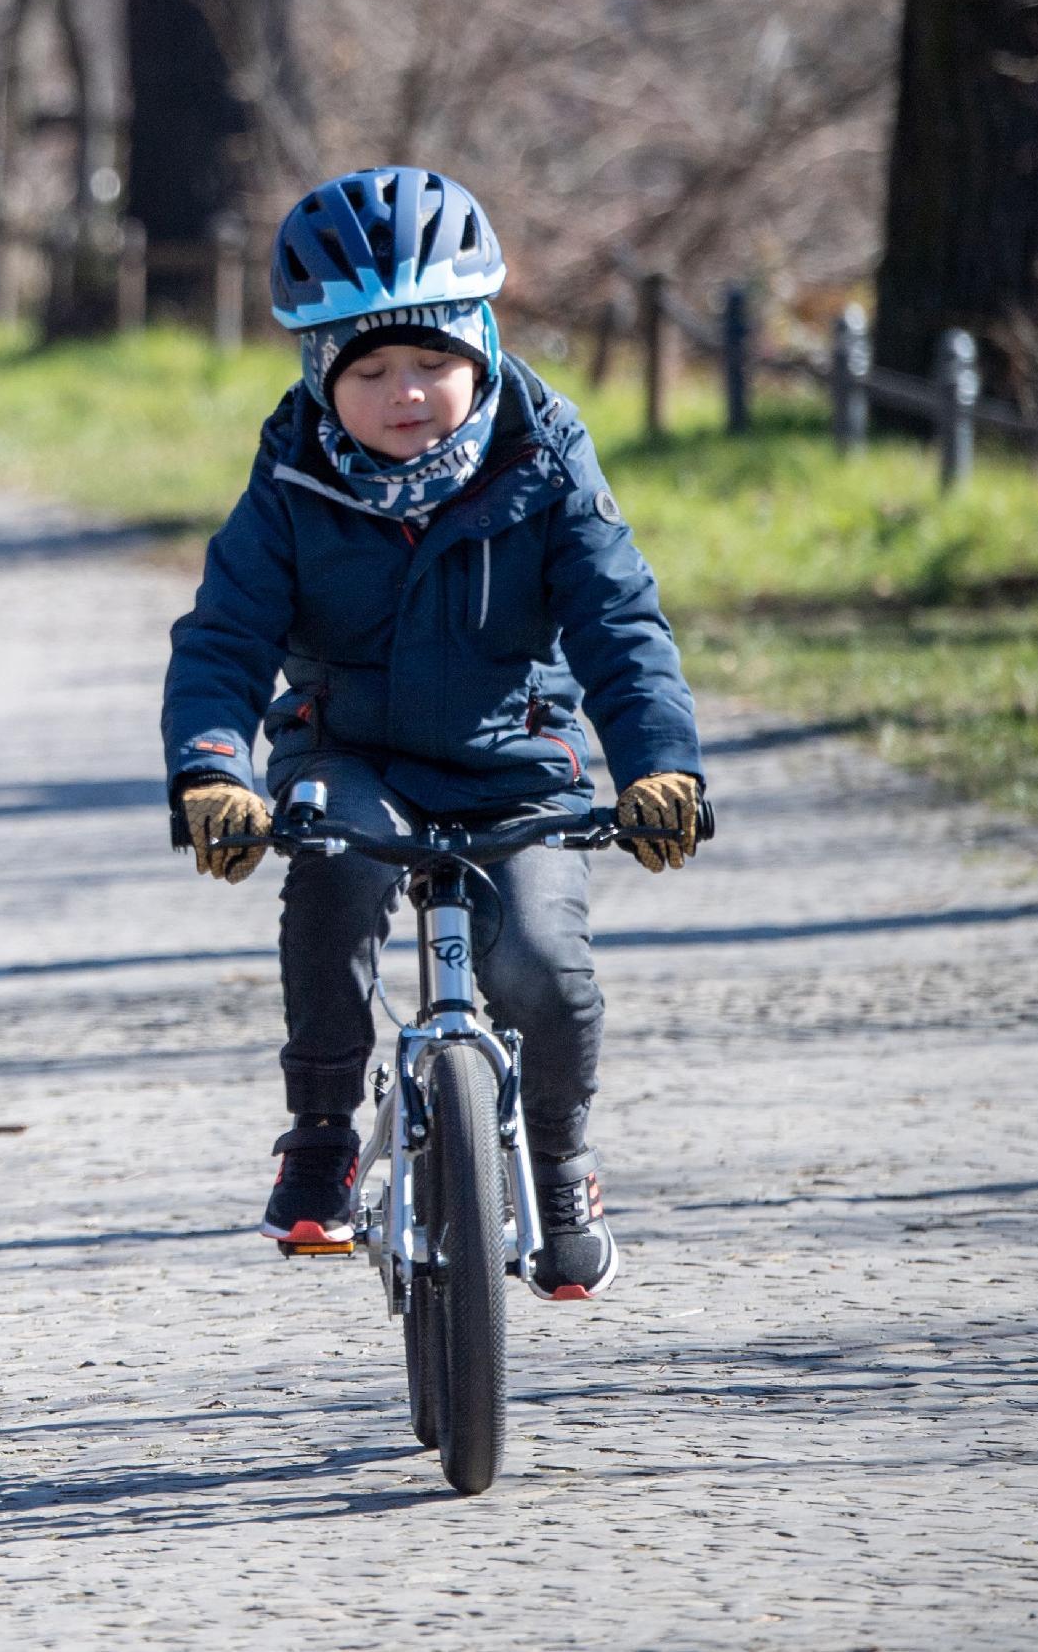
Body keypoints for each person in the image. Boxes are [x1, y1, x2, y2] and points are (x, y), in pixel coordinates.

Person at [160, 166, 703, 1300]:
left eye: (433, 364)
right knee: (334, 876)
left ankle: (558, 1156)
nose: (407, 394)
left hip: (513, 759)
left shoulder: (545, 460)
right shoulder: (293, 483)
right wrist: (214, 770)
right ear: (321, 374)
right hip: (348, 752)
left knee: (545, 967)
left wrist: (660, 765)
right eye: (371, 370)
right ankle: (318, 1131)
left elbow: (618, 620)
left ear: (483, 352)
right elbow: (222, 639)